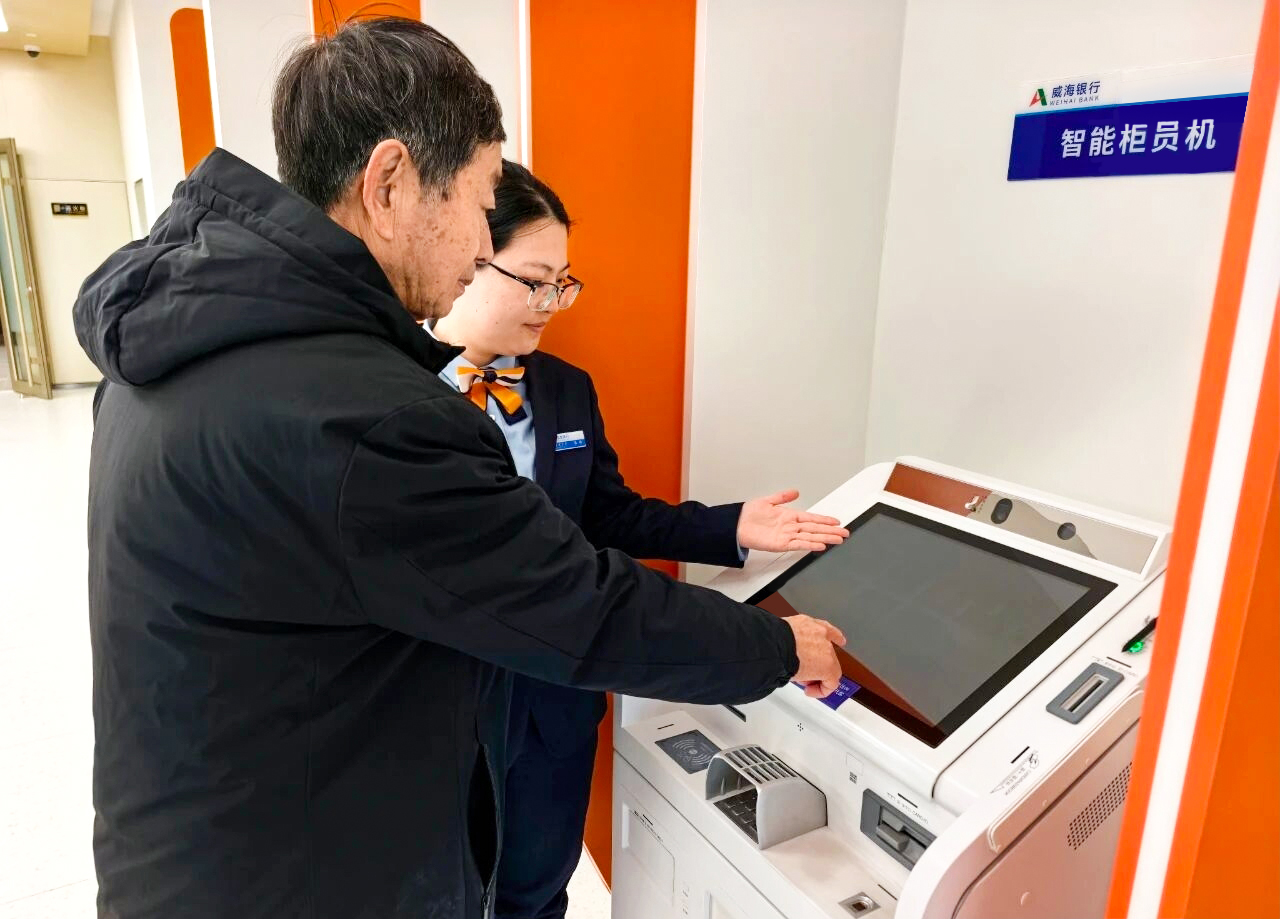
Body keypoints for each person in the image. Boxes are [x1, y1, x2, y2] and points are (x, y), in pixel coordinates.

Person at [72, 18, 846, 919]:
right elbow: (583, 607)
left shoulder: (177, 343)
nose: (483, 243)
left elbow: (601, 522)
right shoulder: (368, 414)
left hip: (198, 845)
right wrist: (776, 645)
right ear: (390, 185)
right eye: (481, 204)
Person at [428, 160, 847, 919]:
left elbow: (608, 518)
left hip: (553, 703)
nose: (551, 304)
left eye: (562, 284)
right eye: (534, 281)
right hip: (439, 709)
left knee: (535, 892)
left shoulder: (564, 389)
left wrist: (729, 526)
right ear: (468, 255)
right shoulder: (390, 392)